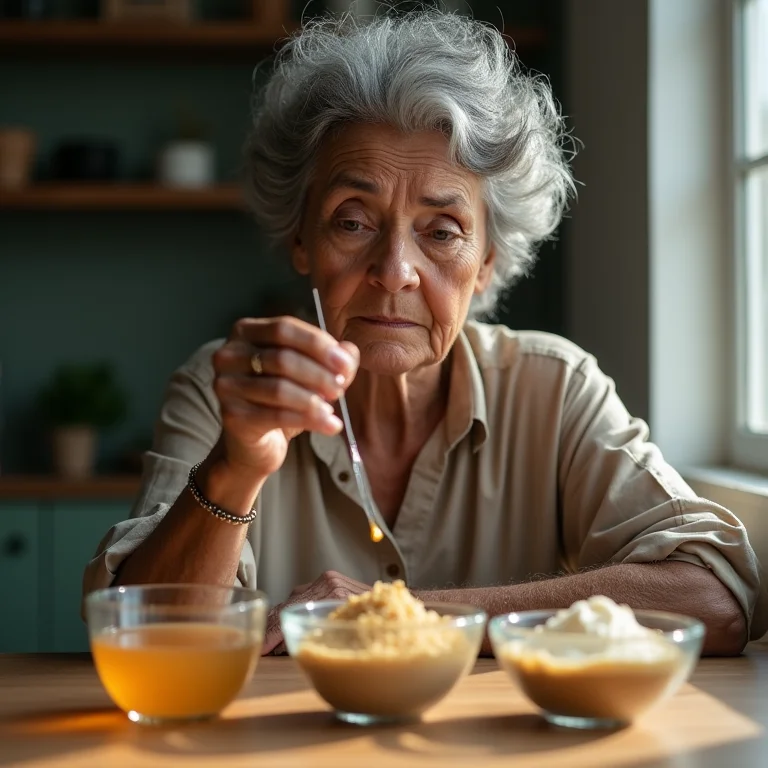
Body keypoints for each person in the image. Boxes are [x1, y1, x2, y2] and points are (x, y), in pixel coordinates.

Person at [83, 10, 765, 656]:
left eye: (442, 232)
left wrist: (400, 617)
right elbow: (144, 632)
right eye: (353, 221)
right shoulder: (225, 387)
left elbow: (713, 594)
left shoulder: (555, 390)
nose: (394, 271)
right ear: (301, 240)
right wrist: (235, 467)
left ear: (489, 260)